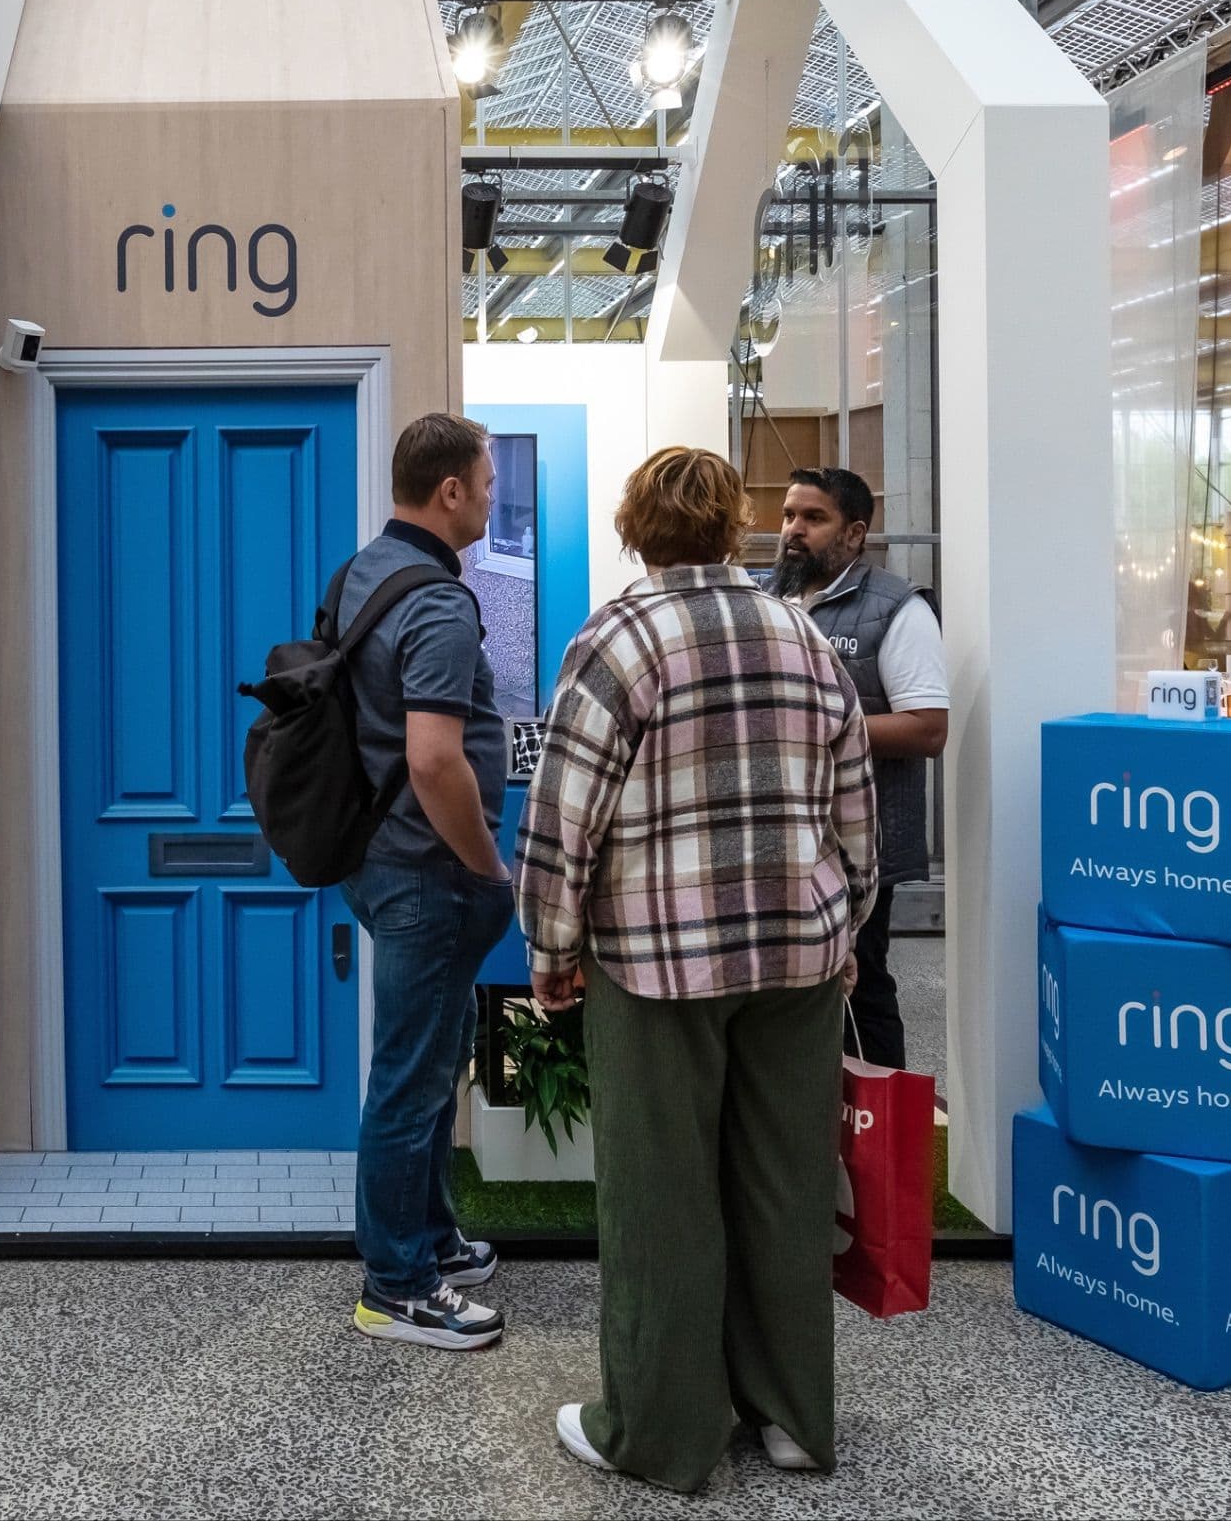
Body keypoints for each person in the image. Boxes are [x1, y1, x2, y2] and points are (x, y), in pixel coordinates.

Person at [517, 446, 877, 1490]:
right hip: (796, 955)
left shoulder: (618, 636)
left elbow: (562, 813)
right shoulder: (801, 635)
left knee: (659, 1193)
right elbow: (851, 807)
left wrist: (550, 947)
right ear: (735, 526)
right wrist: (841, 923)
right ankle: (793, 1417)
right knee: (784, 1182)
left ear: (633, 528)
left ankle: (658, 1431)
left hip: (657, 958)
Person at [336, 412, 514, 1352]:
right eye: (485, 483)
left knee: (432, 1064)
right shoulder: (439, 602)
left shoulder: (365, 569)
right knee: (411, 1080)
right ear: (450, 490)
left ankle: (431, 1240)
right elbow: (437, 759)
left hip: (380, 863)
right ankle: (396, 1283)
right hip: (429, 873)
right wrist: (490, 867)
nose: (491, 497)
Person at [771, 466, 948, 1070]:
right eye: (789, 515)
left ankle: (883, 1146)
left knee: (862, 988)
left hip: (863, 846)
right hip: (790, 840)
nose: (794, 530)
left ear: (854, 533)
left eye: (813, 518)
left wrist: (815, 726)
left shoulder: (898, 609)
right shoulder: (774, 601)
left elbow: (928, 728)